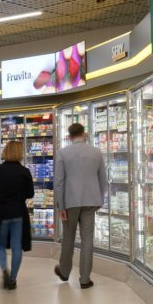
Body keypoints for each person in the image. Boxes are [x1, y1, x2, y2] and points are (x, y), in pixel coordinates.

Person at [54, 122, 107, 289]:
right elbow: (103, 179)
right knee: (87, 239)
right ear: (84, 134)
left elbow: (59, 182)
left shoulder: (63, 153)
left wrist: (60, 206)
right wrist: (100, 199)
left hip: (70, 202)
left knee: (68, 237)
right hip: (91, 201)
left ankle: (64, 271)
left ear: (69, 136)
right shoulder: (96, 152)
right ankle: (85, 279)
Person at [0, 140, 34, 290]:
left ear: (5, 152)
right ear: (20, 153)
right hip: (18, 211)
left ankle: (4, 269)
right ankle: (12, 279)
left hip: (1, 212)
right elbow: (30, 193)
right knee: (16, 246)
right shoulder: (25, 171)